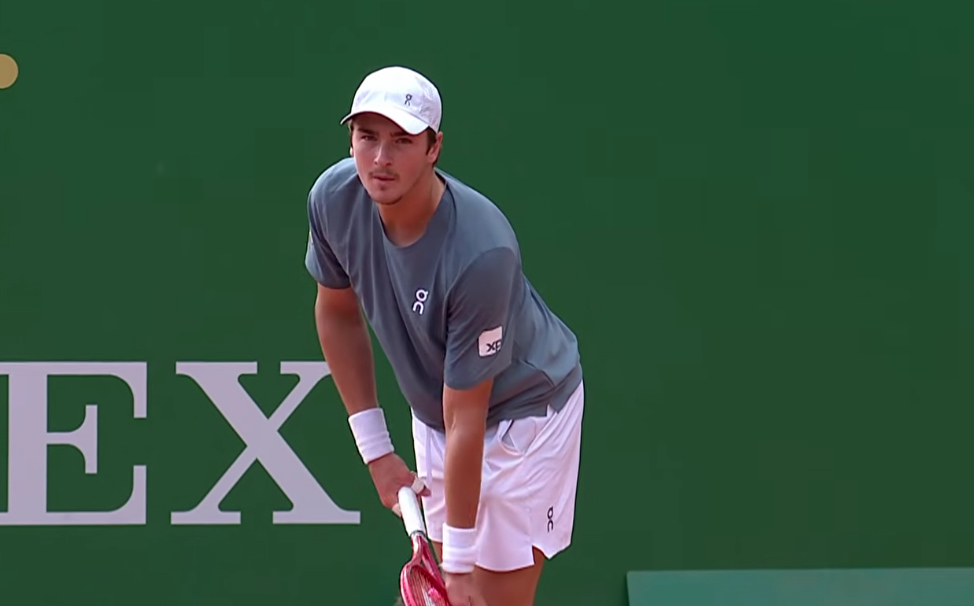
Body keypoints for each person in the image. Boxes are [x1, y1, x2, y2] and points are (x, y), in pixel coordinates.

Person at [304, 65, 585, 606]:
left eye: (402, 141)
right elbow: (337, 314)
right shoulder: (334, 199)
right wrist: (378, 455)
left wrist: (454, 564)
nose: (381, 158)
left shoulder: (480, 252)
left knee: (491, 597)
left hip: (524, 418)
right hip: (440, 413)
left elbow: (467, 415)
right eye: (367, 137)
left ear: (434, 148)